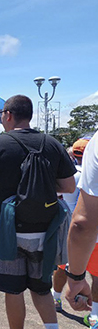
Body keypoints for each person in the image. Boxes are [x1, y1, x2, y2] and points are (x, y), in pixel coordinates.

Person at [0, 95, 76, 329]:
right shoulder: (51, 143)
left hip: (5, 229)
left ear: (8, 115)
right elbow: (69, 186)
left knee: (13, 289)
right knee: (41, 289)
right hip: (44, 231)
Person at [50, 138, 86, 313]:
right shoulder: (90, 175)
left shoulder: (72, 175)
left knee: (62, 266)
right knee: (94, 273)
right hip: (92, 233)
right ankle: (93, 312)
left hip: (70, 230)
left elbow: (56, 193)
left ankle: (55, 298)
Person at [65, 131, 98, 315]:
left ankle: (56, 296)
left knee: (62, 270)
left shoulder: (73, 176)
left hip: (82, 240)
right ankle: (95, 316)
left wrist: (76, 278)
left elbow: (82, 223)